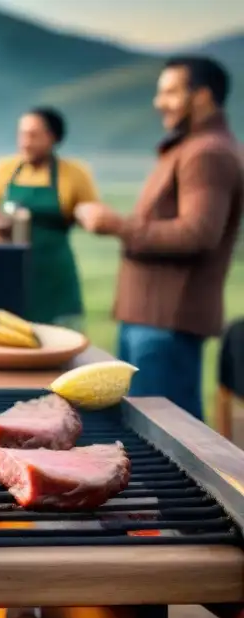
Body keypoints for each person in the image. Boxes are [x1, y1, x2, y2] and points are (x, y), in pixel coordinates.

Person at [75, 56, 242, 421]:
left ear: (202, 97)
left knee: (169, 439)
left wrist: (114, 224)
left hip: (166, 324)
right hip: (151, 321)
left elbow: (198, 234)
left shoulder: (207, 153)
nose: (158, 102)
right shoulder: (191, 147)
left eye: (169, 92)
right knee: (149, 430)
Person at [0, 107, 100, 327]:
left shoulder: (75, 173)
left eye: (33, 135)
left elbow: (92, 214)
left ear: (53, 137)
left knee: (63, 336)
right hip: (9, 271)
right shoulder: (2, 168)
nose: (25, 142)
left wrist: (87, 216)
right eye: (22, 134)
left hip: (54, 272)